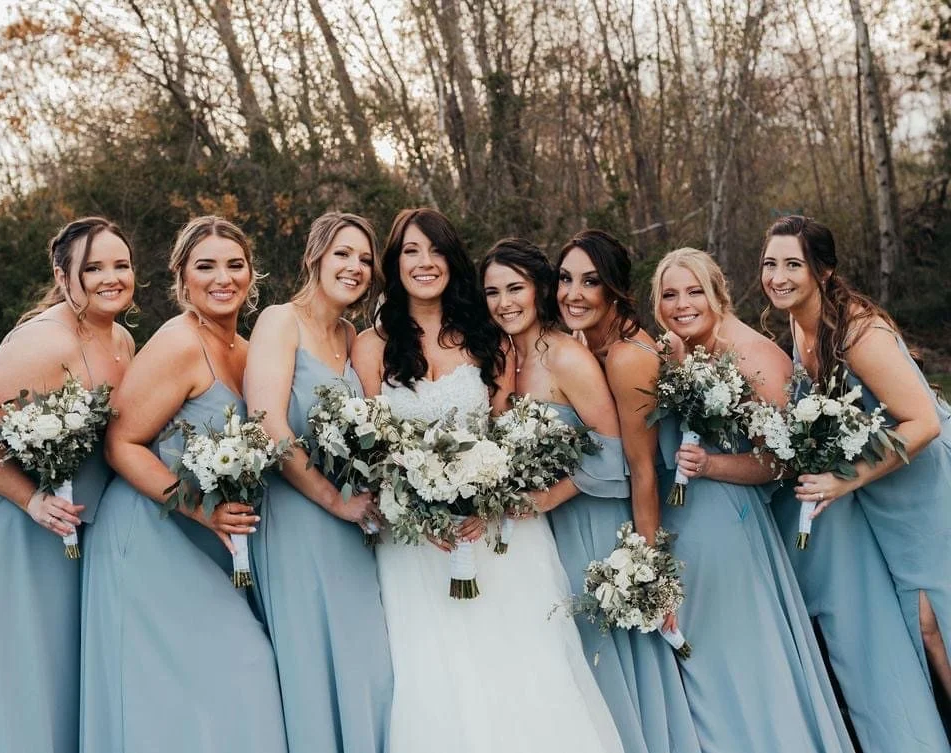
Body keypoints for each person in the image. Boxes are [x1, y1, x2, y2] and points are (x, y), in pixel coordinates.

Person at [352, 208, 624, 753]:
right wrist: (412, 512)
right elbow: (372, 448)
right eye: (410, 251)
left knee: (524, 668)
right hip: (415, 547)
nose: (424, 263)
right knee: (432, 675)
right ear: (394, 263)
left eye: (435, 250)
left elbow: (504, 438)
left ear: (453, 260)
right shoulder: (371, 345)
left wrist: (498, 500)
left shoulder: (486, 339)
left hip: (496, 536)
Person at [480, 234, 699, 753]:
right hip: (544, 537)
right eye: (492, 293)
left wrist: (548, 499)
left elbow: (616, 455)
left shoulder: (566, 358)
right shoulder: (505, 355)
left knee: (605, 660)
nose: (505, 303)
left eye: (516, 288)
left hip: (592, 523)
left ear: (537, 289)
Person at [78, 216, 286, 753]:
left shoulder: (246, 349)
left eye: (234, 265)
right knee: (233, 672)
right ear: (181, 278)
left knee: (213, 694)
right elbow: (120, 444)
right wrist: (198, 508)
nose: (223, 278)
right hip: (151, 534)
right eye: (206, 266)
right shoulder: (178, 343)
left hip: (207, 543)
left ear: (251, 274)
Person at [0, 217, 135, 753]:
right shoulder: (48, 340)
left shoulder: (123, 341)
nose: (111, 277)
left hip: (54, 512)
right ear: (65, 277)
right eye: (94, 267)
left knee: (46, 656)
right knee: (8, 658)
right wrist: (30, 498)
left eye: (121, 265)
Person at [649, 247, 854, 753]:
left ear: (718, 292)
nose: (681, 304)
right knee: (700, 668)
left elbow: (785, 461)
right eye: (669, 294)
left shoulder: (756, 355)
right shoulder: (671, 350)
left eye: (694, 291)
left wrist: (711, 465)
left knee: (745, 662)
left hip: (732, 529)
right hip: (682, 525)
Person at [761, 214, 951, 744]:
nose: (777, 276)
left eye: (792, 264)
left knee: (936, 623)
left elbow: (924, 423)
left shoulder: (858, 332)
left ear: (824, 272)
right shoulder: (799, 325)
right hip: (879, 491)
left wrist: (844, 480)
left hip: (920, 487)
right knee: (917, 625)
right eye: (770, 264)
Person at [245, 212, 393, 753]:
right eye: (342, 254)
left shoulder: (351, 335)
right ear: (314, 257)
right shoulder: (280, 321)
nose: (354, 267)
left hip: (354, 521)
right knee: (313, 661)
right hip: (299, 518)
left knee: (366, 665)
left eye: (363, 258)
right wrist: (334, 500)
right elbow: (266, 422)